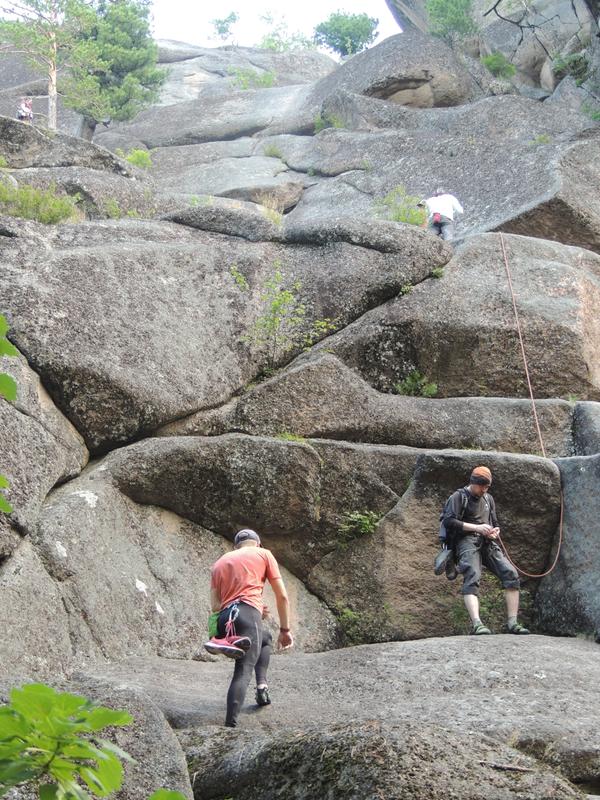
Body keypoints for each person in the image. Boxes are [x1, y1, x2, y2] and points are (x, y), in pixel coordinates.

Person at [204, 528, 293, 727]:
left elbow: (215, 606)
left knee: (265, 638)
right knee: (243, 669)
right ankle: (230, 726)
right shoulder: (263, 554)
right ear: (258, 543)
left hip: (225, 617)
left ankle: (261, 685)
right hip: (246, 612)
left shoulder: (219, 563)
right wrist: (285, 630)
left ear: (236, 546)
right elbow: (282, 596)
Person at [442, 466, 530, 636]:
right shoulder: (459, 497)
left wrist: (495, 531)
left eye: (487, 487)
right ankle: (477, 624)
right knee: (472, 575)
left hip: (487, 541)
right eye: (481, 486)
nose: (484, 490)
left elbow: (495, 522)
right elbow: (449, 521)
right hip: (466, 541)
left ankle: (512, 622)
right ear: (473, 483)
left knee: (510, 574)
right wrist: (477, 527)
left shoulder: (488, 499)